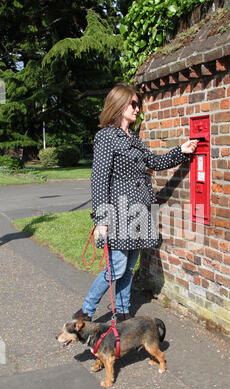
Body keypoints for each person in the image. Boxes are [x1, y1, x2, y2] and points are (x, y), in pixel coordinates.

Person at [73, 83, 197, 323]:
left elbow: (154, 162)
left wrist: (181, 151)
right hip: (118, 213)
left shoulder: (136, 139)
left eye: (138, 104)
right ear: (119, 104)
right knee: (116, 267)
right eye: (133, 104)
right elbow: (99, 180)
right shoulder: (106, 137)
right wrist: (101, 221)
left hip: (140, 211)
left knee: (129, 267)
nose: (138, 108)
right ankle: (86, 311)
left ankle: (121, 311)